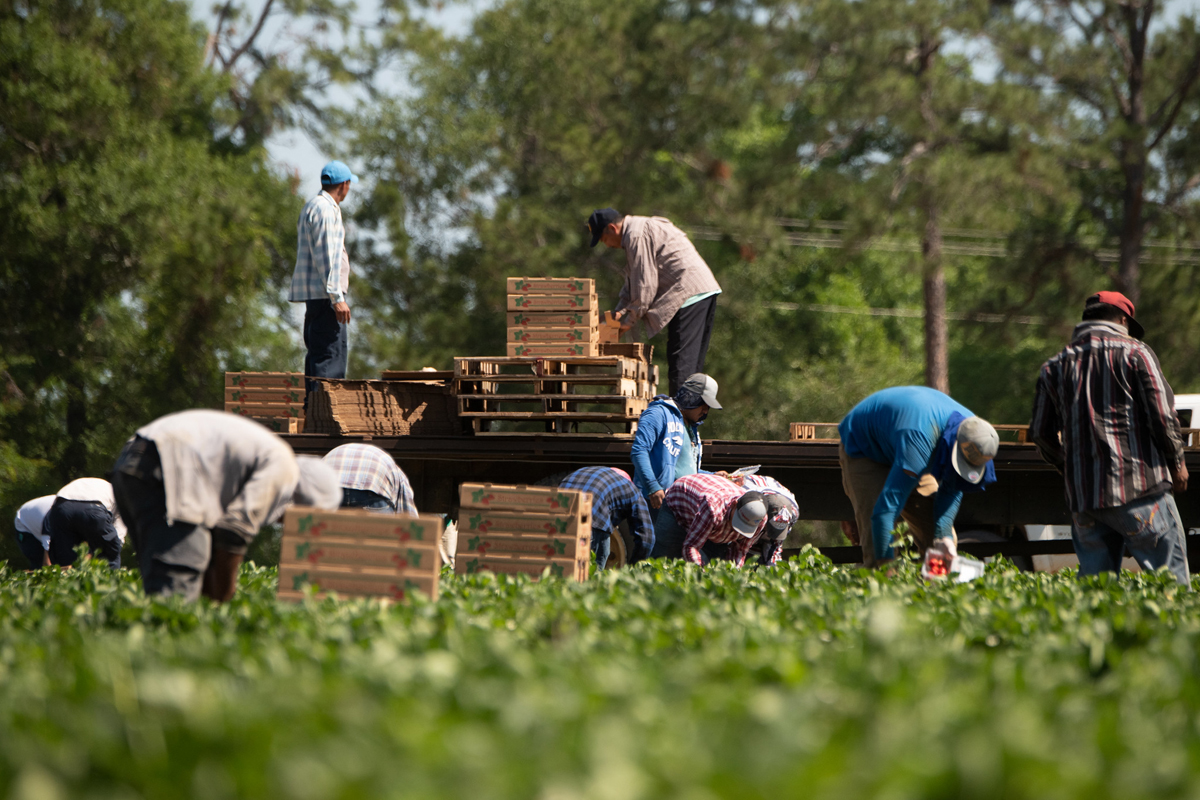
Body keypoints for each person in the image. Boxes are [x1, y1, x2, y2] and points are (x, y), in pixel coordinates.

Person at [1031, 291, 1190, 584]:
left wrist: (1071, 468)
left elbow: (1040, 434)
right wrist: (1177, 462)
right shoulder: (1136, 353)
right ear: (1122, 319)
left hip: (1086, 499)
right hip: (1142, 491)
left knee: (1095, 593)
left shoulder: (1053, 366)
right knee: (1172, 585)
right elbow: (1162, 416)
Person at [111, 410, 342, 603]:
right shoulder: (285, 468)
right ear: (304, 499)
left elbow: (218, 540)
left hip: (132, 462)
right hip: (167, 468)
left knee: (162, 577)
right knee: (177, 595)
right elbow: (233, 533)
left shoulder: (258, 459)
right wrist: (224, 599)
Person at [838, 386, 999, 569]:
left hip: (907, 442)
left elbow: (951, 491)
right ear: (953, 446)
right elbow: (885, 511)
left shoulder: (975, 433)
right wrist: (885, 567)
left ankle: (931, 592)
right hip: (865, 448)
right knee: (881, 546)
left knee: (941, 542)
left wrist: (943, 538)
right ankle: (878, 587)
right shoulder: (919, 442)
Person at [587, 208, 722, 394]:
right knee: (691, 369)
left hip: (689, 293)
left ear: (612, 228)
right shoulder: (637, 230)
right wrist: (618, 312)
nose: (607, 245)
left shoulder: (635, 236)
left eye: (604, 239)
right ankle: (689, 420)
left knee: (681, 367)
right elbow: (633, 283)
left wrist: (626, 323)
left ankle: (679, 421)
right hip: (703, 291)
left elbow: (645, 288)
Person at [289, 160, 360, 406]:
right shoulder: (327, 209)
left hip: (315, 298)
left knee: (318, 357)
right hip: (326, 298)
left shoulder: (311, 206)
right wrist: (337, 298)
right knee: (331, 357)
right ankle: (326, 417)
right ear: (344, 185)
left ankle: (314, 413)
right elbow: (328, 256)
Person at [630, 373, 722, 517]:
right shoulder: (658, 413)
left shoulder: (691, 427)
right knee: (651, 540)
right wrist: (653, 487)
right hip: (654, 502)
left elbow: (686, 470)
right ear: (692, 398)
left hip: (678, 505)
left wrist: (713, 476)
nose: (705, 411)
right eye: (703, 405)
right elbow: (639, 451)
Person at [653, 473, 768, 566]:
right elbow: (691, 547)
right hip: (679, 503)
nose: (738, 530)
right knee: (664, 557)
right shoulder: (713, 509)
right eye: (739, 520)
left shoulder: (760, 519)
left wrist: (734, 574)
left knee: (713, 562)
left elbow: (740, 550)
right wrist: (701, 574)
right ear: (734, 505)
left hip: (708, 519)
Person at [558, 467, 654, 569]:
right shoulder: (630, 489)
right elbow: (647, 537)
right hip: (591, 517)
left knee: (562, 568)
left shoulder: (585, 471)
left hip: (559, 515)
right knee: (592, 571)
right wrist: (634, 567)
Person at [43, 478, 126, 568]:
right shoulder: (122, 497)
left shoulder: (103, 486)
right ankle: (110, 580)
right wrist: (114, 547)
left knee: (66, 562)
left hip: (60, 508)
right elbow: (119, 534)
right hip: (92, 509)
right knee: (111, 554)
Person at [323, 443, 417, 514]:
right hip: (371, 486)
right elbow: (407, 516)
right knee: (379, 537)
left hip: (331, 485)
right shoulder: (398, 474)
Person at [741, 473, 798, 566]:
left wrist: (774, 570)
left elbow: (775, 545)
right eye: (769, 529)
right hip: (749, 493)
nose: (769, 535)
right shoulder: (748, 505)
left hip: (770, 491)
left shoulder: (793, 513)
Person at [12, 495, 55, 568]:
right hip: (25, 525)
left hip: (42, 519)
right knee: (41, 566)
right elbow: (47, 561)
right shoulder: (55, 519)